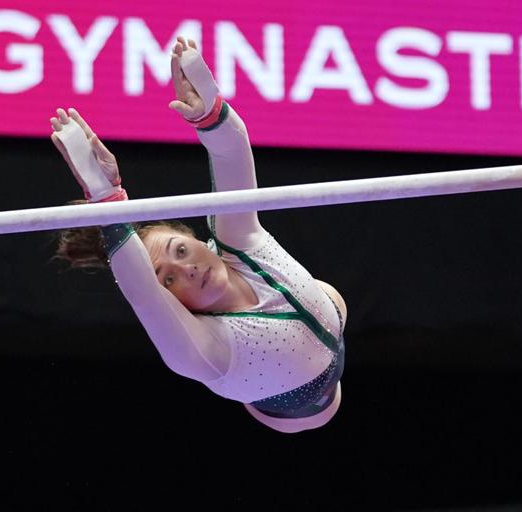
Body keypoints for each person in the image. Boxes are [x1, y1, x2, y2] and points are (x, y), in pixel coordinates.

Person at [49, 37, 346, 434]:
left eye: (181, 251)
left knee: (324, 294)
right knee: (320, 330)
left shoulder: (239, 245)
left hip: (328, 318)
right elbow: (142, 292)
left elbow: (231, 155)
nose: (187, 270)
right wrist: (108, 201)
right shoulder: (202, 351)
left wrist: (210, 113)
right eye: (168, 279)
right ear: (174, 304)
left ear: (199, 241)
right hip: (290, 401)